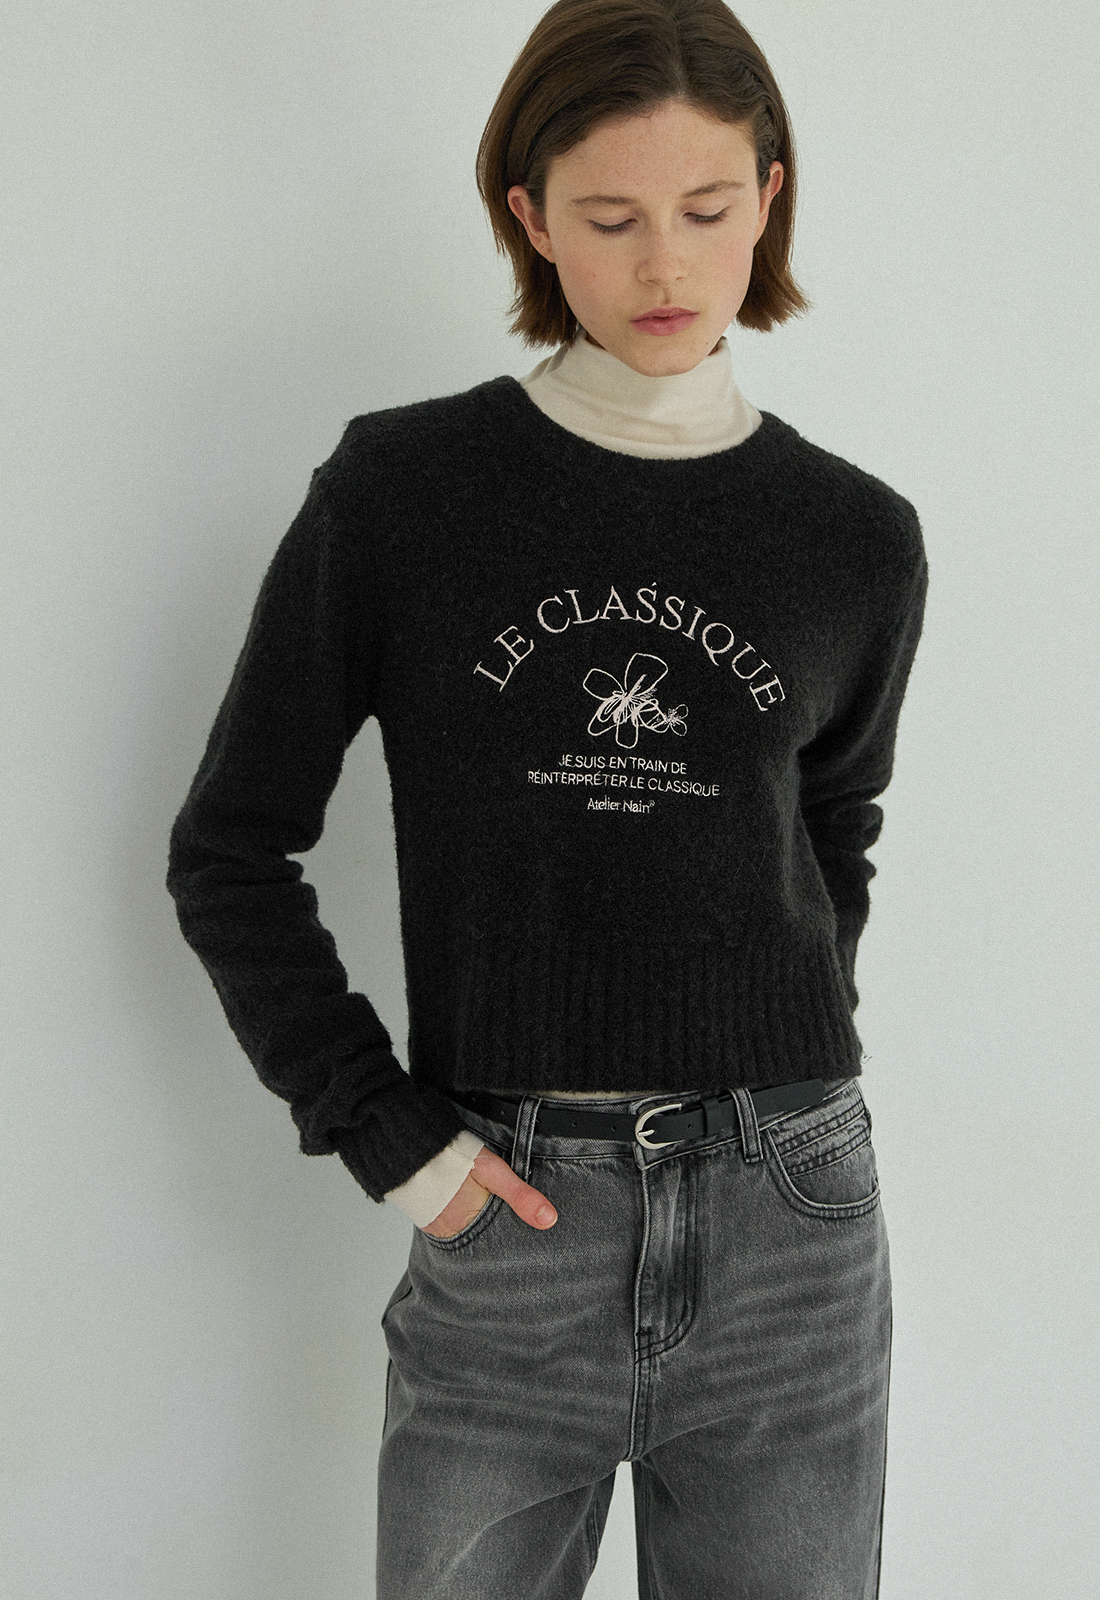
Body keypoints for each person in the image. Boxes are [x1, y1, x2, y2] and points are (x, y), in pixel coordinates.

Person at [167, 1, 928, 1594]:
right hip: (508, 1215)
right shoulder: (402, 494)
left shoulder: (855, 535)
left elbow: (833, 832)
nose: (665, 265)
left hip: (791, 1221)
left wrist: (769, 1058)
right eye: (610, 217)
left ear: (770, 197)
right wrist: (385, 1131)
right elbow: (230, 848)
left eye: (706, 210)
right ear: (529, 217)